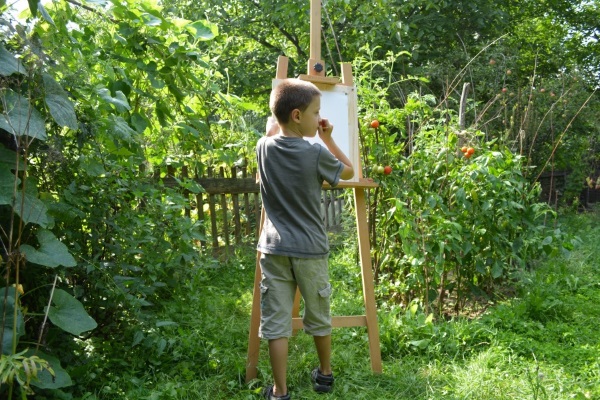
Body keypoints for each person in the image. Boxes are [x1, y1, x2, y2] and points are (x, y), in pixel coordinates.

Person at [256, 78, 354, 400]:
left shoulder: (262, 147)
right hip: (310, 250)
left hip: (273, 249)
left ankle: (279, 391)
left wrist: (275, 125)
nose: (319, 119)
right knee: (319, 316)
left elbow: (271, 134)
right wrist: (328, 138)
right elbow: (350, 171)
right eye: (316, 113)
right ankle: (324, 374)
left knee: (277, 323)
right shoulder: (315, 153)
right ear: (297, 116)